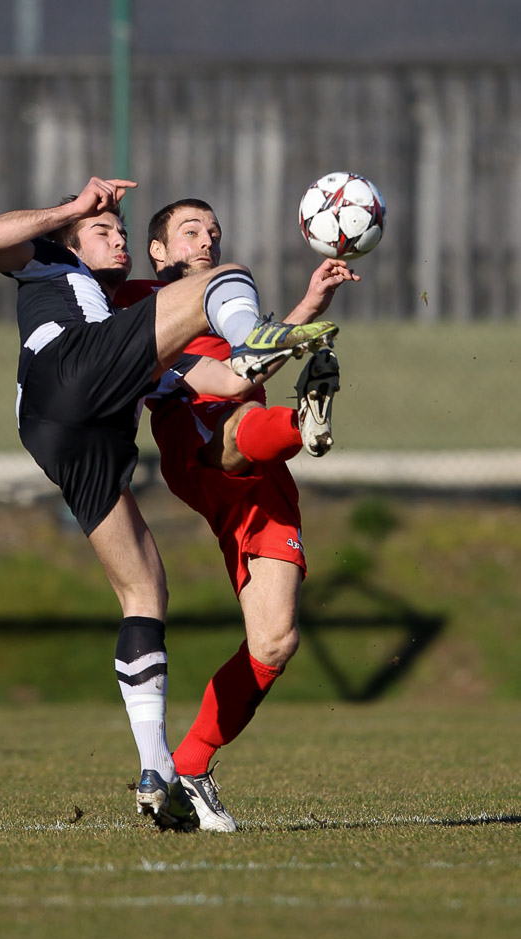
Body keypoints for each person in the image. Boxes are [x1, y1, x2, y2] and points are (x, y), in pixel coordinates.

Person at [0, 176, 338, 832]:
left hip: (74, 435)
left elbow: (227, 377)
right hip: (76, 378)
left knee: (149, 594)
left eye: (120, 232)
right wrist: (72, 210)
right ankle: (291, 427)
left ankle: (159, 769)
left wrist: (298, 321)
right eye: (105, 232)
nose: (118, 240)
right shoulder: (51, 263)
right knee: (229, 289)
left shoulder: (122, 325)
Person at [115, 197, 358, 831]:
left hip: (261, 475)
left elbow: (257, 357)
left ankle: (190, 768)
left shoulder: (231, 301)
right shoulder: (140, 298)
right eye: (190, 231)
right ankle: (297, 423)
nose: (207, 240)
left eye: (214, 231)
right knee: (236, 421)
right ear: (159, 252)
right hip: (196, 440)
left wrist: (309, 307)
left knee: (275, 642)